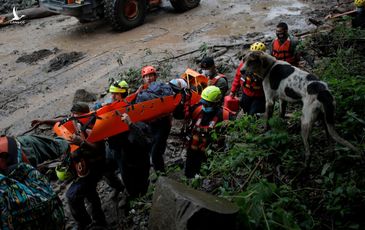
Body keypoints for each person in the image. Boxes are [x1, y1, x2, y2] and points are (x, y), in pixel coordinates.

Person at [184, 86, 234, 178]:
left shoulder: (225, 116)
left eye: (207, 104)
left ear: (216, 103)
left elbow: (234, 133)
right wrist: (185, 97)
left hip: (210, 156)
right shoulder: (197, 109)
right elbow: (182, 114)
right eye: (203, 103)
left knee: (205, 178)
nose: (204, 106)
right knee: (188, 174)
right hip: (192, 151)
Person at [134, 65, 171, 173]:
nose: (148, 78)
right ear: (143, 79)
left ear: (155, 76)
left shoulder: (162, 87)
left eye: (150, 76)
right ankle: (159, 169)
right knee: (154, 148)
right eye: (146, 76)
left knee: (156, 153)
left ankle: (161, 174)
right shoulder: (143, 91)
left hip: (162, 123)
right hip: (151, 124)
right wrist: (137, 93)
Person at [230, 42, 266, 115]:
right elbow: (237, 78)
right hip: (246, 93)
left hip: (260, 96)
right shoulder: (243, 65)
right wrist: (233, 91)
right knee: (245, 109)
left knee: (254, 113)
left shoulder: (265, 68)